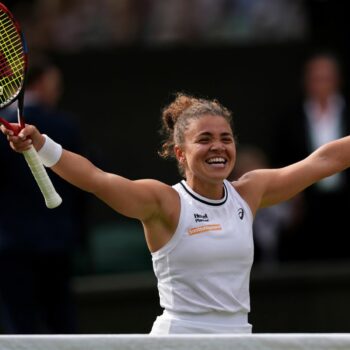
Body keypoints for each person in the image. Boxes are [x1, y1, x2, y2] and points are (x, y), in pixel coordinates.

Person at [2, 92, 350, 334]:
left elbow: (324, 160)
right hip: (181, 338)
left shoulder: (249, 192)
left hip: (240, 337)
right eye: (205, 139)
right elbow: (96, 179)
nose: (218, 147)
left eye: (226, 138)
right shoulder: (163, 202)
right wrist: (42, 145)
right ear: (180, 153)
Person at [0, 55, 85, 334]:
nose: (58, 91)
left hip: (13, 246)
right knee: (61, 326)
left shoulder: (63, 125)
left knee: (20, 328)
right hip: (52, 242)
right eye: (54, 84)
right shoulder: (66, 125)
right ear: (40, 83)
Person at [272, 51, 350, 262]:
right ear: (306, 82)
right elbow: (281, 158)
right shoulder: (291, 117)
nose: (321, 84)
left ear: (338, 80)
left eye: (326, 78)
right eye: (316, 79)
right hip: (307, 204)